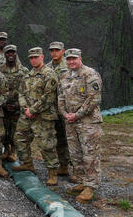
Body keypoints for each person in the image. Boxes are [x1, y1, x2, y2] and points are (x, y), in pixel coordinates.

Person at [58, 48, 103, 203]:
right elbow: (60, 97)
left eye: (74, 59)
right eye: (68, 59)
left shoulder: (90, 75)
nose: (71, 61)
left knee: (90, 154)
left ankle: (91, 186)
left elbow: (94, 99)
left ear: (80, 58)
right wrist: (64, 113)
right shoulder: (64, 76)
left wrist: (77, 115)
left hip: (88, 122)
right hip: (70, 122)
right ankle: (82, 181)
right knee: (76, 154)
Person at [13, 47, 60, 186]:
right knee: (19, 138)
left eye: (36, 57)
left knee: (46, 144)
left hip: (43, 115)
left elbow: (49, 97)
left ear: (42, 57)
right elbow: (21, 92)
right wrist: (24, 108)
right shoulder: (28, 75)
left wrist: (33, 110)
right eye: (31, 58)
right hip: (26, 114)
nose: (33, 60)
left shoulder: (49, 74)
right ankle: (27, 164)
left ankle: (52, 172)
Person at [0, 45, 28, 163]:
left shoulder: (23, 70)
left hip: (17, 105)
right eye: (8, 53)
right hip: (3, 105)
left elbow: (26, 89)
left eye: (13, 53)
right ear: (4, 54)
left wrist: (18, 104)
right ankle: (6, 149)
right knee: (4, 130)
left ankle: (14, 151)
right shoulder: (0, 70)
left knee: (16, 130)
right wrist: (3, 104)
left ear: (16, 54)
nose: (10, 55)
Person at [46, 41, 71, 176]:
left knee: (71, 138)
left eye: (57, 50)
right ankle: (63, 165)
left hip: (67, 109)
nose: (54, 53)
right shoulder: (47, 67)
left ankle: (76, 170)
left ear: (63, 51)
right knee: (58, 138)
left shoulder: (69, 65)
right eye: (52, 50)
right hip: (52, 109)